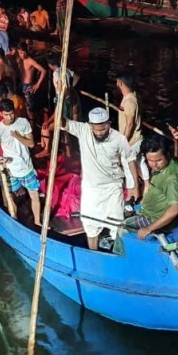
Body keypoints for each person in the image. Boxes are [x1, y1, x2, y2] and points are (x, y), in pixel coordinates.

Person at [62, 107, 141, 250]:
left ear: (109, 124)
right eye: (96, 130)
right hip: (91, 188)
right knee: (90, 224)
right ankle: (93, 253)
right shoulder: (83, 130)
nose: (99, 133)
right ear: (90, 125)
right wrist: (60, 95)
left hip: (112, 187)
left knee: (116, 224)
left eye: (102, 129)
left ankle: (117, 252)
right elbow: (63, 123)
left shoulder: (119, 139)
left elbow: (130, 160)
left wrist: (135, 186)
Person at [0, 98, 41, 225]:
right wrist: (0, 159)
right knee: (9, 196)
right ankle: (14, 219)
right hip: (10, 169)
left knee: (34, 196)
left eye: (12, 113)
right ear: (1, 114)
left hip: (27, 168)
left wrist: (18, 136)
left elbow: (31, 144)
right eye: (6, 114)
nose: (10, 117)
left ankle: (37, 222)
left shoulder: (23, 122)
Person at [129, 134, 178, 241]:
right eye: (150, 160)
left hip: (154, 220)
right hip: (146, 212)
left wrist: (148, 228)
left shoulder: (172, 178)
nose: (154, 165)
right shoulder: (165, 165)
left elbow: (174, 210)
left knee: (123, 227)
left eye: (158, 160)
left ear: (167, 155)